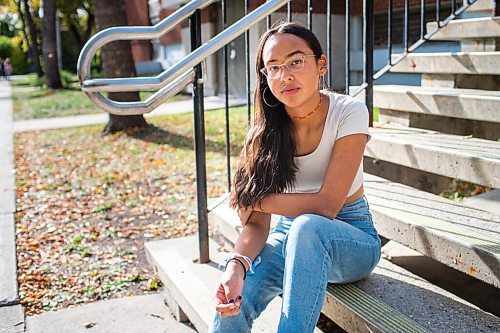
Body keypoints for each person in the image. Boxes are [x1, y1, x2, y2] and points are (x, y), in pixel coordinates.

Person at [209, 21, 381, 333]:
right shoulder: (262, 136)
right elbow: (256, 224)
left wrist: (256, 199)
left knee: (308, 226)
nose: (284, 75)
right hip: (287, 237)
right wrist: (235, 265)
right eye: (272, 67)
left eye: (296, 61)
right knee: (231, 303)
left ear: (322, 64)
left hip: (351, 238)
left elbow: (328, 205)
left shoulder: (349, 112)